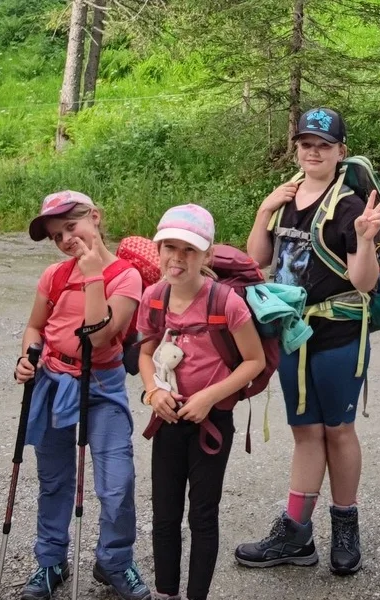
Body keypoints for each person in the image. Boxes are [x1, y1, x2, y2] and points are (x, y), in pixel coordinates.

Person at [234, 107, 380, 576]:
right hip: (292, 332)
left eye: (323, 145)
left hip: (339, 334)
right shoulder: (285, 198)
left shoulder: (347, 207)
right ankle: (297, 533)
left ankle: (345, 525)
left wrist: (365, 240)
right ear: (297, 148)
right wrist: (264, 208)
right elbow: (256, 260)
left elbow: (364, 284)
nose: (313, 152)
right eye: (306, 144)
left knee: (338, 432)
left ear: (341, 152)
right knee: (305, 432)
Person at [11, 190, 153, 600]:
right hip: (52, 379)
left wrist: (92, 275)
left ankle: (115, 561)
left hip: (102, 384)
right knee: (54, 480)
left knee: (117, 481)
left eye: (71, 227)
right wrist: (27, 357)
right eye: (57, 235)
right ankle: (52, 560)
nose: (65, 240)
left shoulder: (126, 276)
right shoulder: (53, 276)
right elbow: (35, 327)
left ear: (95, 217)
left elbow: (101, 335)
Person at [136, 205, 266, 600]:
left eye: (189, 250)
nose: (177, 258)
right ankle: (165, 593)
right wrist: (154, 391)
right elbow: (144, 354)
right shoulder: (153, 297)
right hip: (169, 419)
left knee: (203, 515)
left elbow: (254, 361)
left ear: (208, 255)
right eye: (169, 247)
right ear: (158, 250)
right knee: (164, 516)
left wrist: (210, 397)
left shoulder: (226, 303)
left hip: (213, 421)